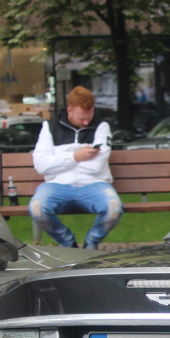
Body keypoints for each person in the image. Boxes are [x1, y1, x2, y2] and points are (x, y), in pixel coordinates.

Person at [29, 86, 122, 250]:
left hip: (94, 183)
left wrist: (58, 159)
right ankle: (67, 242)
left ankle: (91, 244)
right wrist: (76, 156)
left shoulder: (101, 127)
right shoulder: (49, 127)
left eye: (89, 116)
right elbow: (41, 165)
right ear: (69, 110)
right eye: (81, 118)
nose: (86, 122)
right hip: (57, 185)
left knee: (113, 208)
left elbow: (96, 166)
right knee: (37, 208)